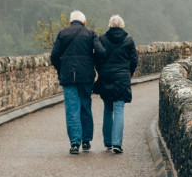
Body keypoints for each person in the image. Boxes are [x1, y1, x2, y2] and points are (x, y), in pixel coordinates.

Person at [49, 11, 101, 156]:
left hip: (68, 76)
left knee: (72, 109)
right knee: (85, 106)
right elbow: (101, 51)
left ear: (70, 22)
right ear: (84, 22)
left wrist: (61, 68)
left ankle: (74, 143)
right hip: (86, 76)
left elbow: (54, 55)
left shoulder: (62, 33)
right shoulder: (90, 34)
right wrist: (93, 63)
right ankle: (86, 140)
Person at [94, 15, 139, 154]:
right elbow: (134, 60)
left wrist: (101, 71)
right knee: (119, 109)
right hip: (122, 77)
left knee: (108, 108)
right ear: (122, 25)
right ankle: (117, 143)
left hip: (106, 77)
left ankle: (107, 142)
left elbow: (97, 58)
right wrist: (127, 73)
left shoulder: (101, 39)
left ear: (110, 25)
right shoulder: (128, 40)